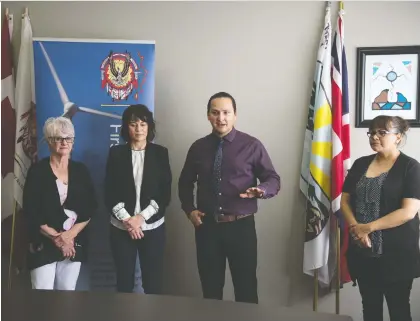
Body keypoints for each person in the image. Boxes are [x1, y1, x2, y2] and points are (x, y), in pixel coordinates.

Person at [178, 92, 281, 304]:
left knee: (246, 290)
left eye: (226, 113)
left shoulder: (251, 145)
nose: (221, 118)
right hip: (207, 228)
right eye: (215, 113)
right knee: (210, 291)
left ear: (235, 115)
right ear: (208, 116)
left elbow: (273, 178)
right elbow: (184, 182)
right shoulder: (198, 147)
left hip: (240, 228)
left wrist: (261, 189)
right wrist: (190, 210)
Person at [341, 115, 420, 321]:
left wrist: (368, 227)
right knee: (370, 309)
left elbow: (408, 212)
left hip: (396, 255)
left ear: (398, 137)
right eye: (372, 132)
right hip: (363, 252)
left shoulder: (410, 167)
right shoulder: (360, 164)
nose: (375, 136)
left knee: (399, 310)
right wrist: (357, 227)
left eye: (382, 132)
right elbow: (345, 202)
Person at [23, 116, 97, 290]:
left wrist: (69, 237)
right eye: (58, 138)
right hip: (43, 243)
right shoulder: (37, 171)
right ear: (49, 141)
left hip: (73, 243)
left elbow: (90, 208)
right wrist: (58, 238)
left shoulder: (81, 171)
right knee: (42, 294)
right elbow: (31, 210)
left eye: (68, 138)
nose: (64, 142)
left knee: (67, 295)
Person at [104, 104, 172, 294]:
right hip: (121, 228)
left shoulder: (160, 153)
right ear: (126, 127)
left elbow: (164, 193)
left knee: (153, 283)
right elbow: (109, 191)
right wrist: (128, 220)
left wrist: (140, 218)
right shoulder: (116, 154)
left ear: (149, 126)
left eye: (143, 124)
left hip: (152, 228)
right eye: (133, 124)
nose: (139, 129)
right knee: (124, 283)